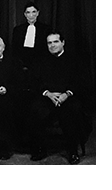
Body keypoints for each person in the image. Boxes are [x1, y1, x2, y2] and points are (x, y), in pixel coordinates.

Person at [28, 31, 92, 165]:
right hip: (48, 97)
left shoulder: (74, 60)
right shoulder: (40, 60)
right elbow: (34, 81)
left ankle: (72, 150)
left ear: (63, 43)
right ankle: (40, 149)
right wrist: (48, 93)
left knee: (73, 111)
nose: (52, 45)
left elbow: (81, 82)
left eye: (55, 42)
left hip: (68, 97)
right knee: (35, 110)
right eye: (49, 43)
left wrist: (66, 94)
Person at [11, 2, 51, 71]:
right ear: (25, 14)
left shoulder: (45, 29)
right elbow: (14, 49)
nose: (31, 15)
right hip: (21, 65)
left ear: (38, 13)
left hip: (40, 65)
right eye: (28, 12)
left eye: (34, 12)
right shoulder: (18, 29)